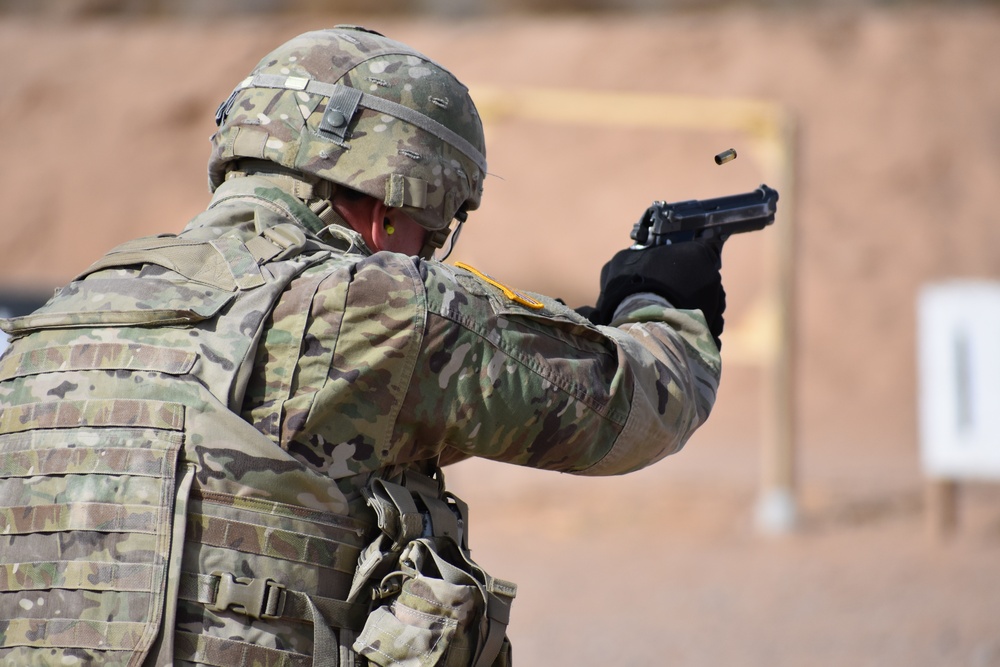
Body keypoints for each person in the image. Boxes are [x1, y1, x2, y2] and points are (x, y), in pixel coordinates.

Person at [0, 25, 723, 667]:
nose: (427, 256)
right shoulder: (379, 306)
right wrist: (663, 301)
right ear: (387, 212)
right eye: (432, 234)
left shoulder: (59, 317)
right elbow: (635, 405)